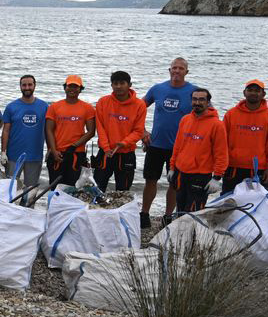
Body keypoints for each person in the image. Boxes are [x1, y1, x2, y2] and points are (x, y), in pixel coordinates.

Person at [141, 57, 198, 228]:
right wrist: (142, 132)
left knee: (174, 183)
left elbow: (208, 116)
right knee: (150, 180)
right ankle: (144, 214)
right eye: (174, 68)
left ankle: (168, 216)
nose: (177, 71)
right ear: (169, 70)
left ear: (186, 72)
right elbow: (137, 109)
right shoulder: (158, 89)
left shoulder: (194, 91)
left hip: (180, 148)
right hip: (156, 144)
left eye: (181, 68)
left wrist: (197, 140)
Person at [169, 88, 227, 214]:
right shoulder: (185, 119)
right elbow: (178, 146)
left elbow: (221, 153)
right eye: (195, 99)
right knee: (180, 207)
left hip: (200, 176)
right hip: (181, 172)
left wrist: (217, 177)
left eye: (201, 99)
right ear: (191, 101)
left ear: (208, 102)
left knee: (194, 211)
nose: (197, 102)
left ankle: (193, 234)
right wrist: (172, 167)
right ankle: (179, 233)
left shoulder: (217, 124)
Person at [222, 79, 268, 193]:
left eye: (257, 90)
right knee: (228, 201)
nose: (253, 93)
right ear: (244, 93)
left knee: (259, 202)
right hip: (233, 167)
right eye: (250, 90)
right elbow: (222, 142)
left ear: (263, 94)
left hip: (258, 169)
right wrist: (221, 166)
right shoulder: (231, 114)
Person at [93, 71, 147, 193]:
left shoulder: (139, 105)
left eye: (122, 83)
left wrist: (123, 143)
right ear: (111, 85)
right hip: (105, 153)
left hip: (126, 153)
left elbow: (138, 131)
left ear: (129, 85)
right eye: (115, 83)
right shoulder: (103, 101)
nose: (118, 86)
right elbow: (100, 127)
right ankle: (96, 211)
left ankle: (119, 211)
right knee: (97, 188)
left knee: (123, 191)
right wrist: (106, 148)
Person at [44, 75, 96, 186]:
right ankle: (54, 203)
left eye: (76, 87)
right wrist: (53, 150)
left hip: (76, 154)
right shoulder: (54, 107)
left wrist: (74, 145)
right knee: (54, 187)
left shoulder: (88, 108)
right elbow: (49, 130)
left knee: (73, 188)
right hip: (57, 153)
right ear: (65, 88)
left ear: (80, 89)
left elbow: (91, 131)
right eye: (69, 86)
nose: (72, 89)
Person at [1, 74, 48, 190]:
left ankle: (29, 208)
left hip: (35, 155)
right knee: (10, 189)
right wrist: (3, 152)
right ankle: (9, 208)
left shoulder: (44, 106)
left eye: (30, 84)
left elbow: (49, 130)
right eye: (24, 85)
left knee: (30, 190)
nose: (27, 87)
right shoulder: (11, 107)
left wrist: (50, 150)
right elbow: (5, 131)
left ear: (35, 86)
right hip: (13, 156)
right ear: (20, 86)